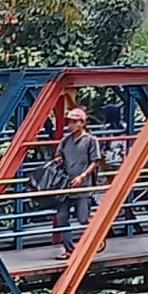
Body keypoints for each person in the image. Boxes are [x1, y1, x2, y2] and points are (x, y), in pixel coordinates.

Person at [53, 107, 103, 259]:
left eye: (74, 122)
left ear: (82, 123)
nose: (71, 125)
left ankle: (95, 239)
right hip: (66, 185)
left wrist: (82, 176)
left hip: (83, 186)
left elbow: (95, 161)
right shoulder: (65, 141)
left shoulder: (90, 141)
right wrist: (58, 160)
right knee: (62, 217)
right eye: (69, 122)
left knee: (82, 218)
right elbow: (58, 155)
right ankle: (69, 249)